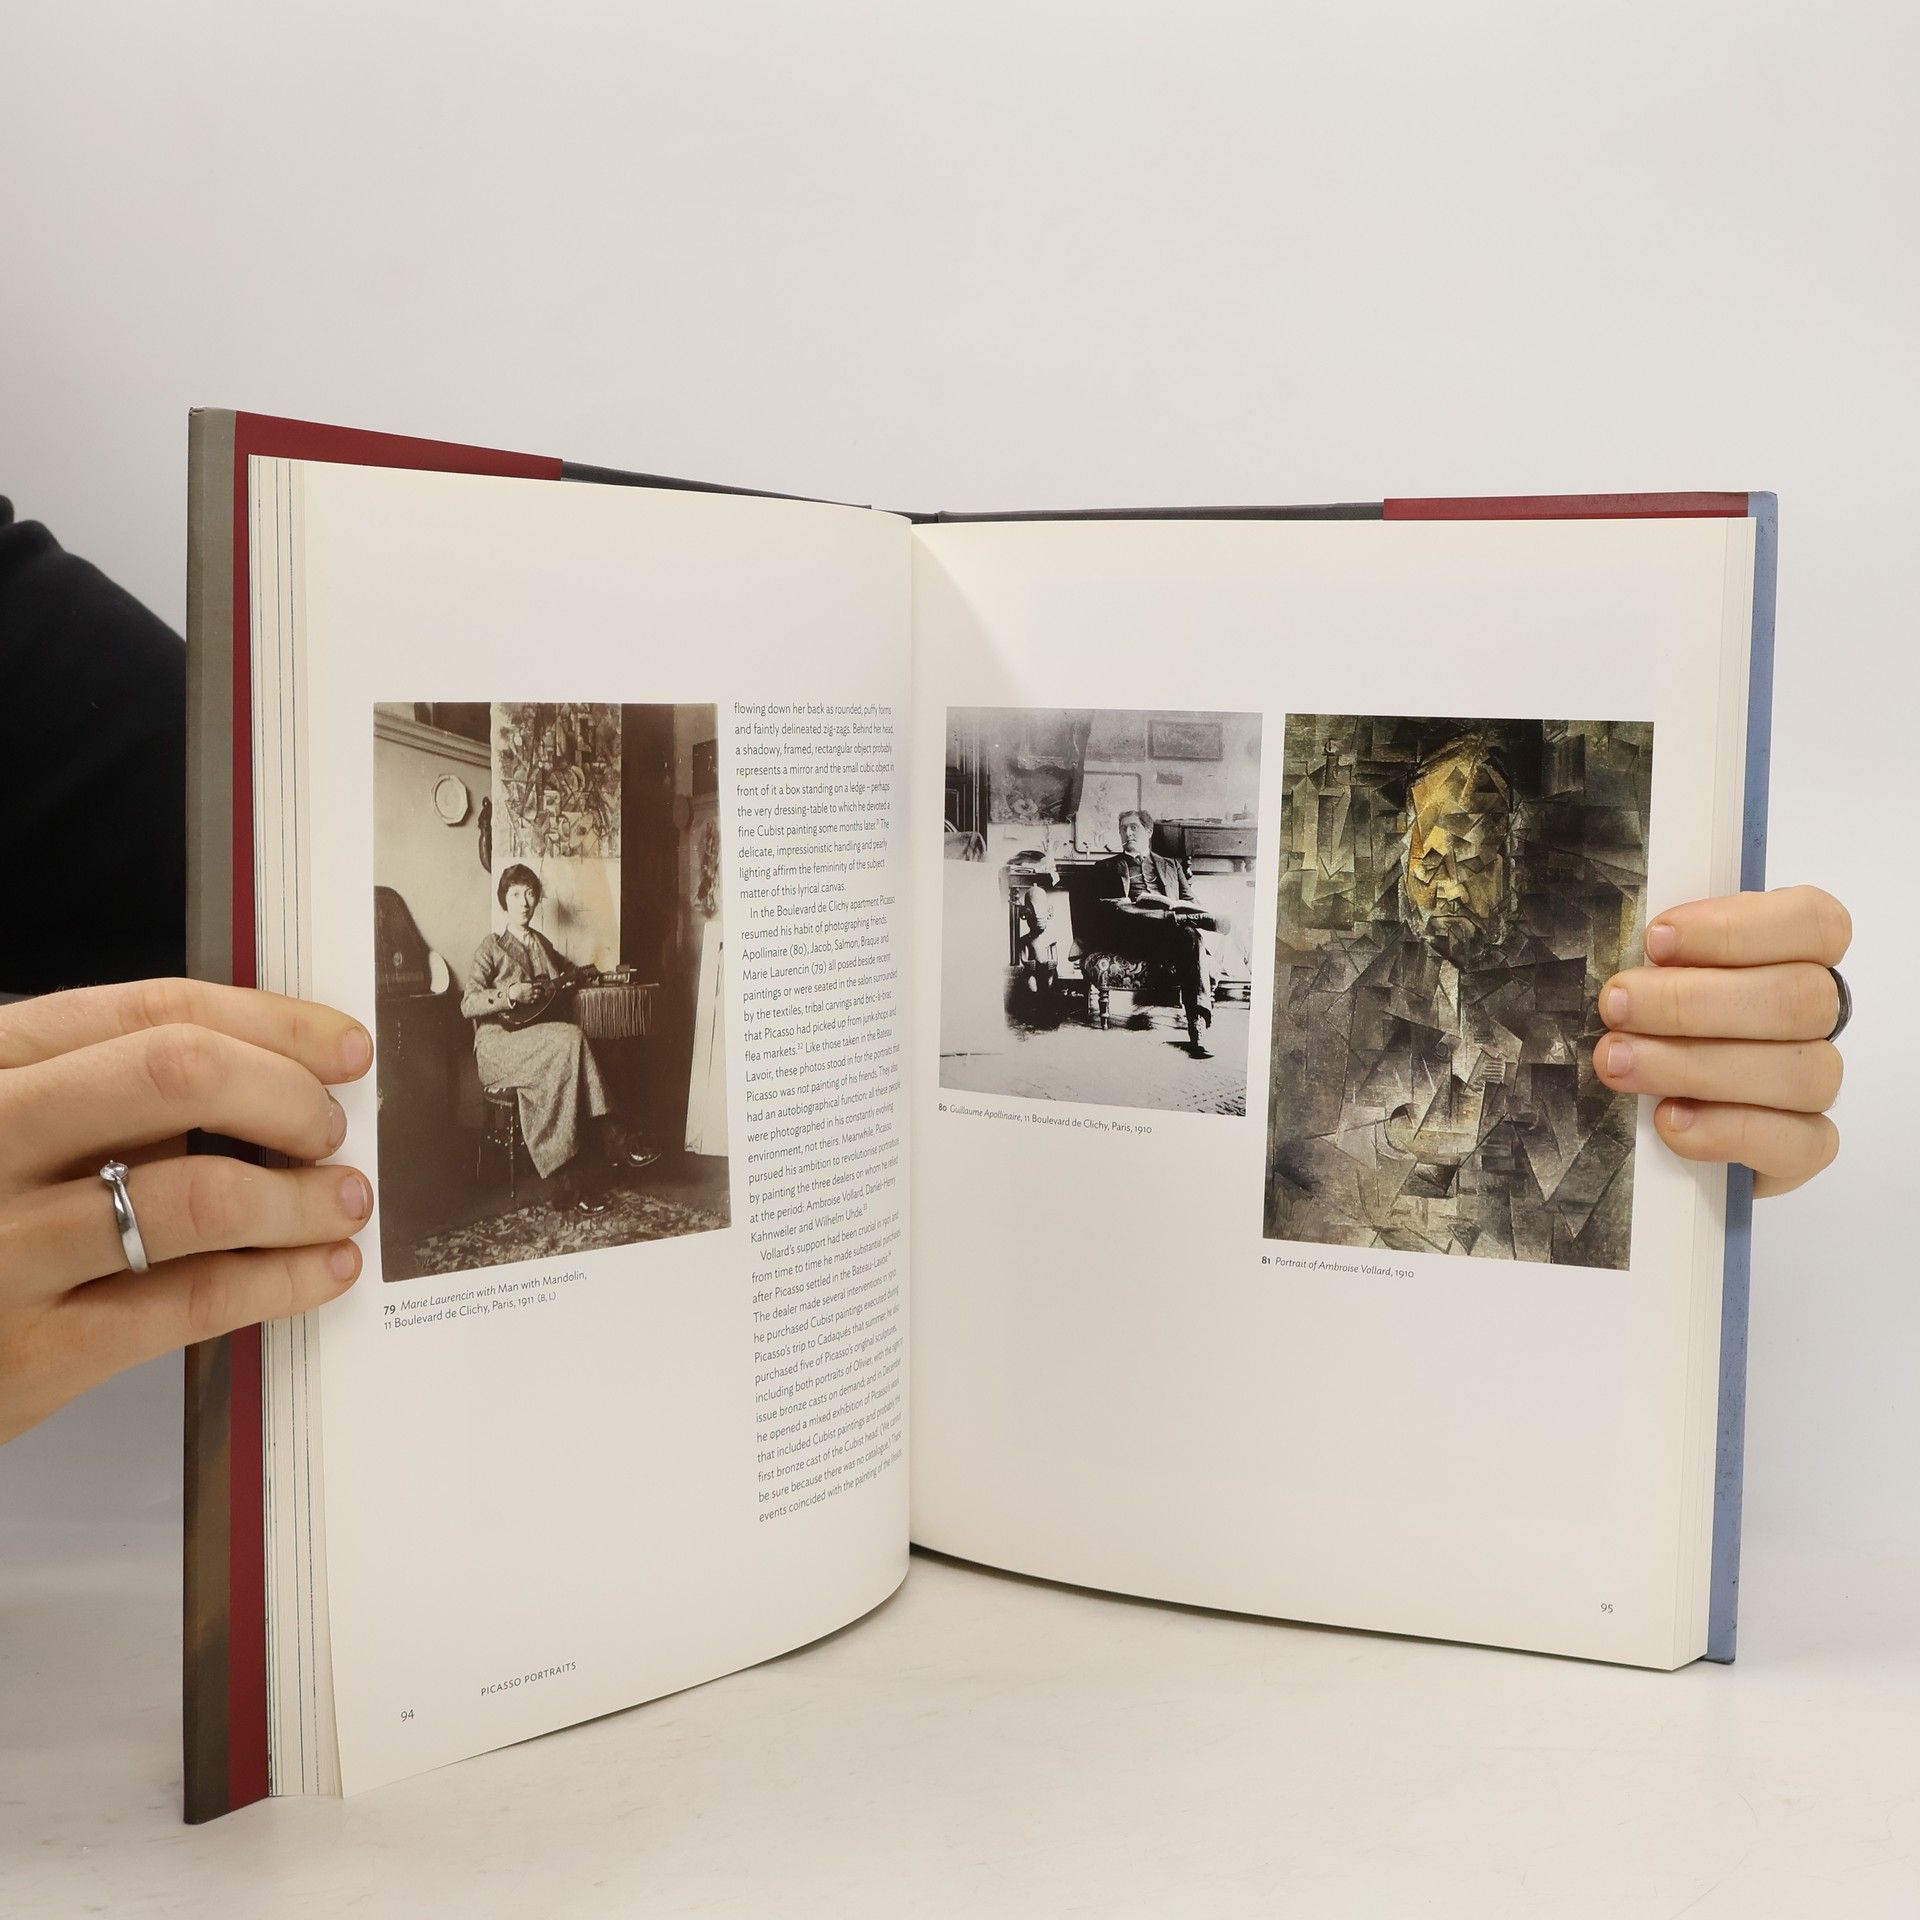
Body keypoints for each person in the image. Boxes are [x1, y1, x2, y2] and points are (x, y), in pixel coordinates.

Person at [0, 499, 1853, 1445]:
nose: (1453, 867)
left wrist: (1686, 1055)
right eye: (1432, 836)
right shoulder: (1320, 993)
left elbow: (243, 900)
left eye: (1483, 845)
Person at [460, 863, 617, 1213]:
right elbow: (468, 1003)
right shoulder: (492, 946)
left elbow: (567, 974)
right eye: (515, 894)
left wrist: (593, 974)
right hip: (498, 1045)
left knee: (564, 1055)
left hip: (536, 1042)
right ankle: (611, 1135)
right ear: (504, 900)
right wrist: (509, 994)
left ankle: (570, 1182)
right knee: (570, 1040)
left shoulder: (542, 944)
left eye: (530, 894)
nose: (524, 902)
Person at [1093, 808, 1222, 1054]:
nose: (1127, 833)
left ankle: (1196, 1022)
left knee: (1190, 935)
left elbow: (1190, 901)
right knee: (1169, 921)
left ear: (1149, 831)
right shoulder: (1105, 867)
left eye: (1134, 827)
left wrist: (1177, 907)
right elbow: (1100, 908)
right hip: (1131, 935)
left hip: (1167, 939)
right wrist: (1126, 904)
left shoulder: (1171, 865)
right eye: (1123, 828)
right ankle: (1202, 921)